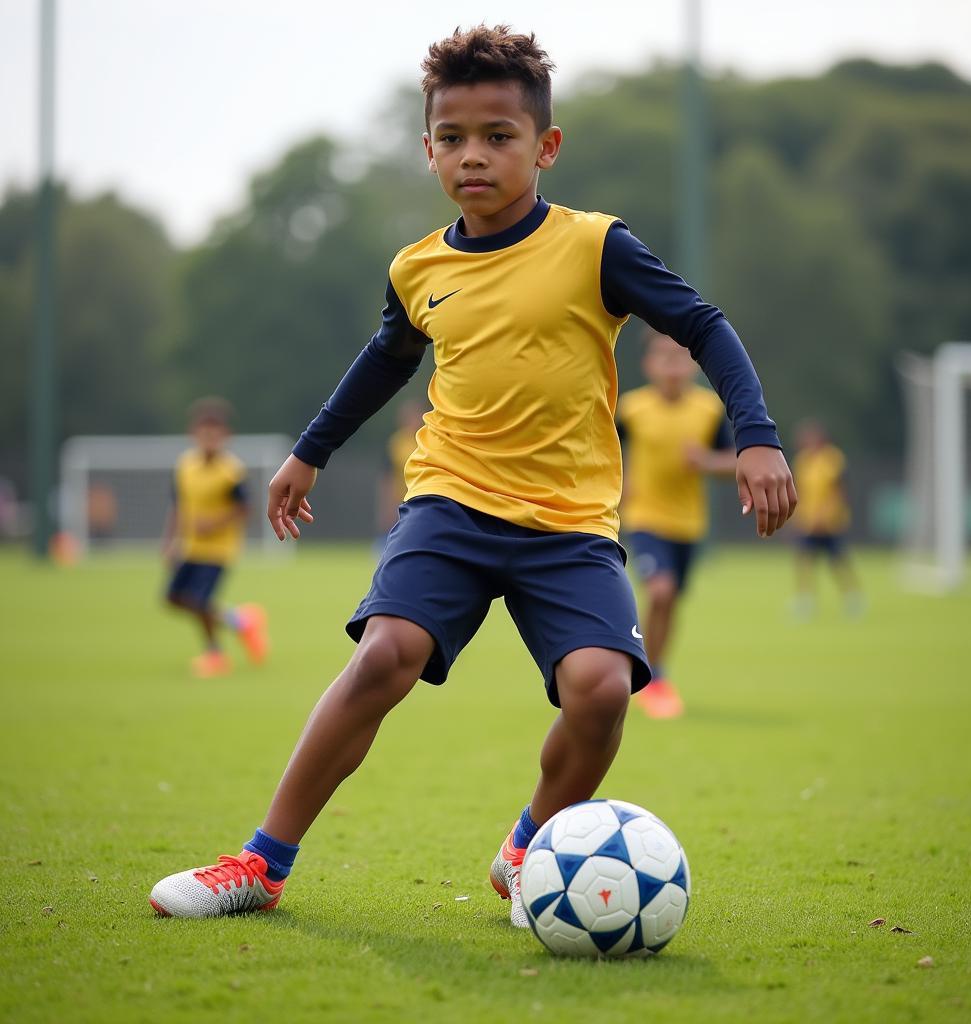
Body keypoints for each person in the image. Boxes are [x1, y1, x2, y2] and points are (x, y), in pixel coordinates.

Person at [149, 25, 796, 922]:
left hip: (570, 523)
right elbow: (385, 361)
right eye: (452, 139)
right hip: (450, 502)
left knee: (603, 691)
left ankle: (530, 844)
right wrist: (309, 452)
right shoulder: (418, 267)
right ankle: (261, 865)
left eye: (499, 136)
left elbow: (706, 326)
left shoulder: (595, 245)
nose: (474, 156)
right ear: (428, 150)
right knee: (386, 656)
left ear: (546, 147)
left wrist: (756, 435)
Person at [619, 332, 736, 719]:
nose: (671, 366)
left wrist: (706, 461)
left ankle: (658, 673)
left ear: (693, 366)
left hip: (688, 523)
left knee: (670, 602)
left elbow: (736, 461)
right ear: (648, 365)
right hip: (645, 517)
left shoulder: (708, 410)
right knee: (662, 591)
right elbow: (600, 447)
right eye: (662, 357)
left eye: (679, 357)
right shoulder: (631, 409)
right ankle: (649, 677)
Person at [162, 397, 269, 677]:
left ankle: (215, 655)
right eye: (203, 432)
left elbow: (245, 509)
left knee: (199, 601)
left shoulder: (231, 472)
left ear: (225, 436)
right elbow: (178, 505)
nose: (209, 438)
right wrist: (170, 541)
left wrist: (214, 523)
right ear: (193, 434)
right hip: (190, 547)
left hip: (219, 549)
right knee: (173, 598)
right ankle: (241, 621)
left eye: (214, 432)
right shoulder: (185, 465)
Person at [791, 419, 862, 617]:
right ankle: (805, 601)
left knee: (838, 561)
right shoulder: (802, 461)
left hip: (830, 523)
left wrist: (826, 515)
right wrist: (797, 517)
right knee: (803, 561)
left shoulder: (833, 459)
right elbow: (800, 491)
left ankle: (852, 599)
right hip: (808, 522)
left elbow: (839, 491)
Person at [377, 400, 426, 537]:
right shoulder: (396, 443)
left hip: (422, 496)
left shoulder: (426, 440)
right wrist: (386, 506)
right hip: (400, 500)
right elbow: (387, 476)